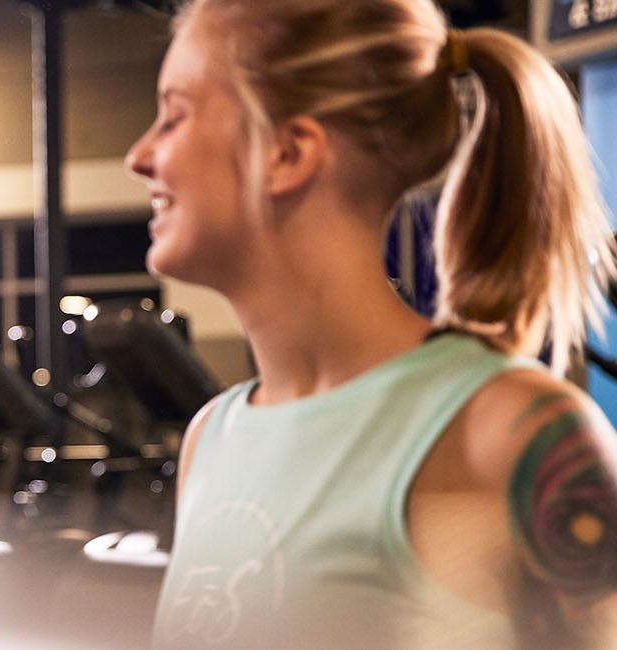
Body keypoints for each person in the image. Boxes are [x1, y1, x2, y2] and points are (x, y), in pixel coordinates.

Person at [125, 1, 617, 647]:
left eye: (174, 115)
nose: (140, 155)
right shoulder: (210, 439)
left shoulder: (503, 434)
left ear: (287, 153)